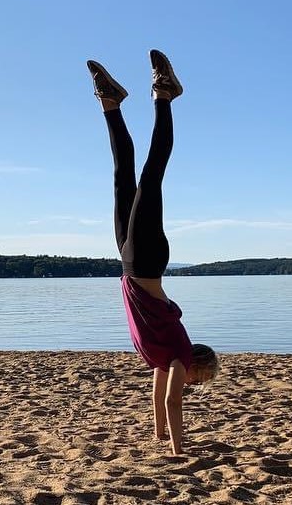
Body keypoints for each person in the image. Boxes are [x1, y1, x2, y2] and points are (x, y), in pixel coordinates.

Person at [87, 50, 219, 457]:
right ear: (198, 367)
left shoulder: (163, 360)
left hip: (131, 262)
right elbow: (172, 401)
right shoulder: (178, 353)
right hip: (145, 260)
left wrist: (161, 434)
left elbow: (159, 398)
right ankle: (165, 94)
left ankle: (111, 102)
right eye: (202, 380)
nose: (194, 385)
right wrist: (179, 451)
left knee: (121, 175)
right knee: (150, 175)